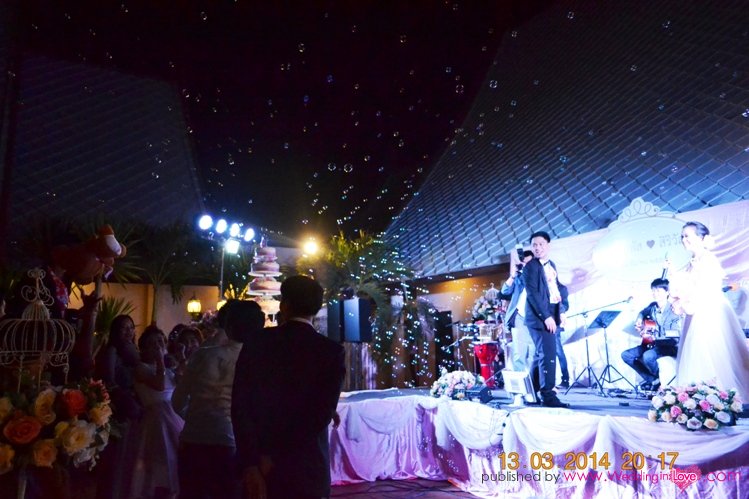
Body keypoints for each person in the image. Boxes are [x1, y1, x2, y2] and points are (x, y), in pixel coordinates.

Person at [232, 275, 345, 499]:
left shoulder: (258, 343)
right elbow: (320, 415)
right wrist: (275, 456)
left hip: (259, 462)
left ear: (285, 305)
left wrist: (253, 460)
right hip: (306, 466)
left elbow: (241, 406)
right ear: (316, 308)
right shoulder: (330, 351)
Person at [172, 301, 265, 499]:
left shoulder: (203, 355)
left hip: (193, 439)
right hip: (230, 441)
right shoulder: (256, 362)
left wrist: (197, 417)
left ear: (228, 327)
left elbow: (177, 402)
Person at [669, 221, 749, 399]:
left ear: (701, 238)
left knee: (707, 351)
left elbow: (706, 289)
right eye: (682, 236)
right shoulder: (692, 262)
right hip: (696, 311)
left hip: (708, 311)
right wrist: (678, 299)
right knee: (697, 352)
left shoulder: (708, 259)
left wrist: (684, 301)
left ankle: (713, 398)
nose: (684, 240)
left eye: (687, 236)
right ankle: (698, 398)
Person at [128, 325, 185, 499]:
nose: (158, 346)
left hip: (173, 416)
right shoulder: (141, 368)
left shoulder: (168, 369)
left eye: (160, 342)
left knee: (178, 462)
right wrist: (160, 360)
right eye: (152, 343)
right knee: (159, 467)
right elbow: (159, 385)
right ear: (144, 348)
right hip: (156, 420)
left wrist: (181, 357)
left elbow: (183, 382)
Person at [523, 231, 570, 408]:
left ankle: (532, 393)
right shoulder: (531, 267)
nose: (537, 248)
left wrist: (561, 312)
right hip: (539, 317)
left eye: (541, 244)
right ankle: (548, 396)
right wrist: (547, 317)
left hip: (551, 313)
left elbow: (556, 290)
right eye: (534, 245)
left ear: (547, 245)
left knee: (541, 354)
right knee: (548, 355)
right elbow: (533, 294)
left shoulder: (551, 265)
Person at [621, 278, 682, 391]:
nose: (655, 293)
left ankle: (662, 381)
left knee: (648, 356)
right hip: (651, 344)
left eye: (658, 291)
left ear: (667, 292)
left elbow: (675, 337)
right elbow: (642, 312)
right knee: (626, 355)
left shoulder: (673, 309)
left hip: (668, 346)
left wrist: (655, 338)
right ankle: (653, 380)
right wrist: (639, 320)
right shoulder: (652, 307)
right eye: (653, 290)